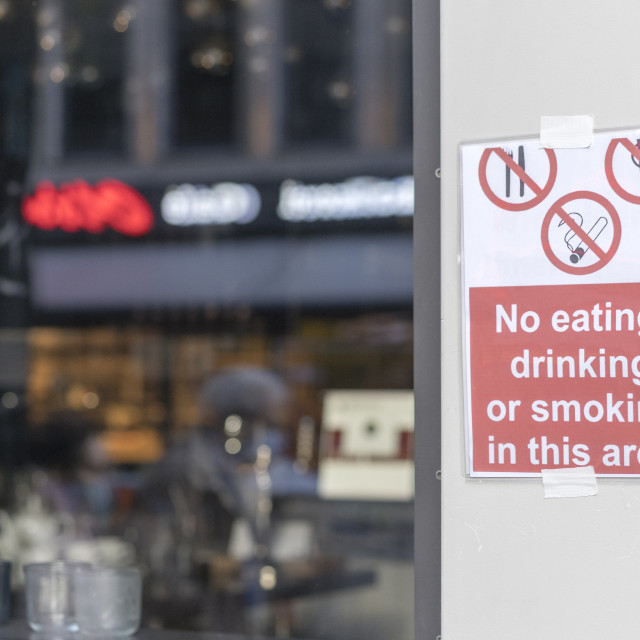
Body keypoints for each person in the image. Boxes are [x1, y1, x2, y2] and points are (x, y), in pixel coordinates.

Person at [133, 366, 304, 632]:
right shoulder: (186, 470)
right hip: (181, 625)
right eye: (265, 423)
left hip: (215, 618)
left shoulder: (224, 468)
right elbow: (162, 569)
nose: (270, 435)